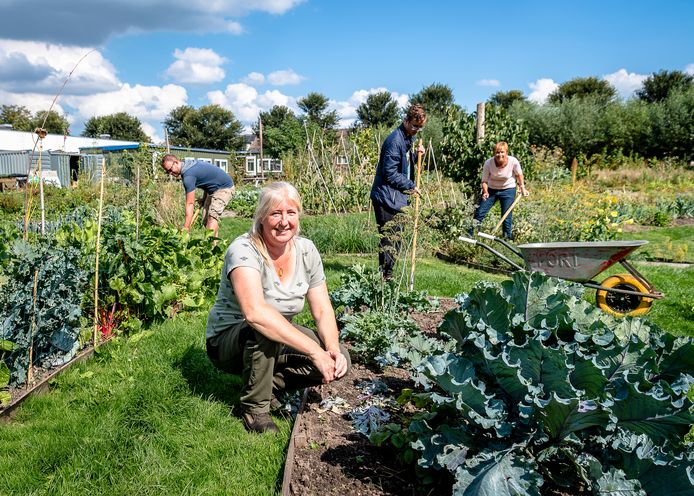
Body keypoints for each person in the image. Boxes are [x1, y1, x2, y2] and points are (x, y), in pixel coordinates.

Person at [205, 182, 351, 433]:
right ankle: (255, 409)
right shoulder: (244, 250)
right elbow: (255, 313)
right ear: (261, 217)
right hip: (228, 342)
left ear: (298, 216)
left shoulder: (307, 251)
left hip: (274, 337)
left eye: (290, 213)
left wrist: (331, 349)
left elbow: (323, 310)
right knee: (266, 325)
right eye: (275, 213)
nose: (284, 221)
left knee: (342, 360)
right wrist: (315, 352)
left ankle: (265, 385)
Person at [370, 104, 426, 279]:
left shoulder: (407, 137)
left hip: (395, 197)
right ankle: (385, 276)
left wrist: (417, 157)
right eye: (415, 125)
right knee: (389, 238)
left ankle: (388, 273)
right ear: (406, 120)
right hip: (387, 197)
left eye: (420, 127)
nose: (417, 129)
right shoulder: (395, 140)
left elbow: (404, 164)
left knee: (396, 237)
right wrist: (411, 186)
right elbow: (390, 173)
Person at [160, 154, 234, 238]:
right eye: (167, 171)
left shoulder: (188, 175)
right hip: (213, 189)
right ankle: (213, 246)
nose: (170, 173)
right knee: (206, 221)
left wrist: (186, 228)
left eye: (170, 169)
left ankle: (209, 247)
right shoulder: (187, 165)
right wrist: (204, 198)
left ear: (176, 162)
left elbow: (190, 204)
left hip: (224, 187)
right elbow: (207, 180)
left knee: (212, 217)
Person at [472, 141, 529, 240]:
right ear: (494, 153)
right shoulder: (488, 163)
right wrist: (485, 192)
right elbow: (484, 181)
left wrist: (522, 187)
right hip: (491, 190)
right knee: (480, 212)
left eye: (502, 152)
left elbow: (519, 174)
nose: (500, 155)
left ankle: (507, 240)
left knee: (506, 216)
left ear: (506, 152)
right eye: (497, 152)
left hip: (508, 190)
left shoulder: (513, 161)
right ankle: (471, 235)